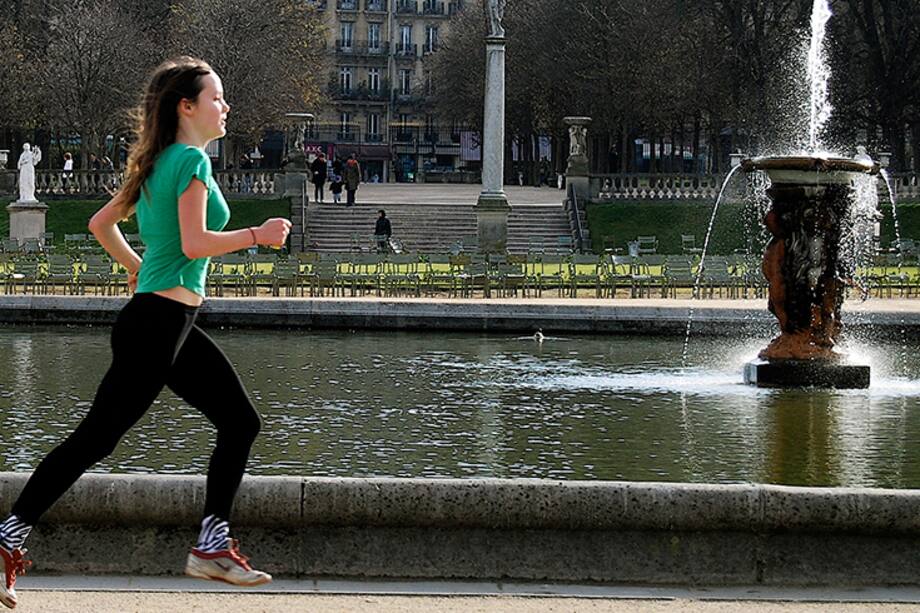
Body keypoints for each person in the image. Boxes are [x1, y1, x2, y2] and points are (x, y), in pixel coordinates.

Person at [0, 56, 291, 609]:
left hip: (163, 320)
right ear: (187, 107)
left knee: (234, 421)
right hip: (158, 323)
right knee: (97, 438)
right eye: (217, 98)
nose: (225, 107)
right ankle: (10, 536)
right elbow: (194, 243)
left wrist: (136, 266)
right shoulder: (190, 162)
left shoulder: (159, 161)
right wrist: (259, 233)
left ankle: (210, 543)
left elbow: (99, 225)